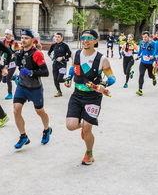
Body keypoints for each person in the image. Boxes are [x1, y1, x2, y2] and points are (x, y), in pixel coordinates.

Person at [64, 29, 115, 165]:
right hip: (77, 94)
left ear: (95, 41)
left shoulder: (102, 59)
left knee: (87, 127)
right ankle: (86, 125)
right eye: (83, 38)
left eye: (89, 38)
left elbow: (112, 78)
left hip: (93, 97)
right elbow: (73, 68)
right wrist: (68, 78)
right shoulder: (76, 54)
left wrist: (103, 84)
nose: (85, 41)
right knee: (70, 126)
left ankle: (89, 153)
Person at [12, 29, 51, 149]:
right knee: (16, 111)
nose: (23, 40)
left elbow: (45, 72)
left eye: (26, 38)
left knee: (40, 112)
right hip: (22, 87)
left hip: (35, 88)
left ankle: (46, 129)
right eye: (22, 38)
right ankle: (23, 136)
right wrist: (16, 76)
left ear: (32, 40)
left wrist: (30, 73)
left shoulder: (37, 54)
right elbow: (19, 67)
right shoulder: (19, 53)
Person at [47, 33, 72, 97]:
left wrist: (62, 57)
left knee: (59, 79)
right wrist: (51, 58)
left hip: (62, 64)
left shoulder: (65, 45)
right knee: (55, 79)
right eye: (56, 37)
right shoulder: (53, 45)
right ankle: (59, 92)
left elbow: (69, 54)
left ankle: (67, 79)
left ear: (61, 38)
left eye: (58, 37)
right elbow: (49, 52)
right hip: (55, 64)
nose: (57, 38)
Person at [135, 31, 157, 95]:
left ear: (148, 37)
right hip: (143, 62)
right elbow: (140, 50)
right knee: (141, 74)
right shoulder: (141, 42)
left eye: (146, 37)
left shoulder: (153, 43)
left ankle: (153, 78)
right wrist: (138, 55)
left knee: (150, 75)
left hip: (150, 62)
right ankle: (140, 89)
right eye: (143, 37)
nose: (144, 38)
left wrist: (153, 56)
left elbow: (156, 51)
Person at [2, 29, 21, 100]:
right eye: (5, 34)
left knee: (7, 79)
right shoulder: (3, 42)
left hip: (12, 63)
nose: (6, 35)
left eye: (7, 34)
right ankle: (15, 77)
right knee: (3, 80)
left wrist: (14, 54)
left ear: (11, 35)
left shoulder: (14, 43)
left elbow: (18, 51)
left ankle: (10, 94)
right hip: (5, 62)